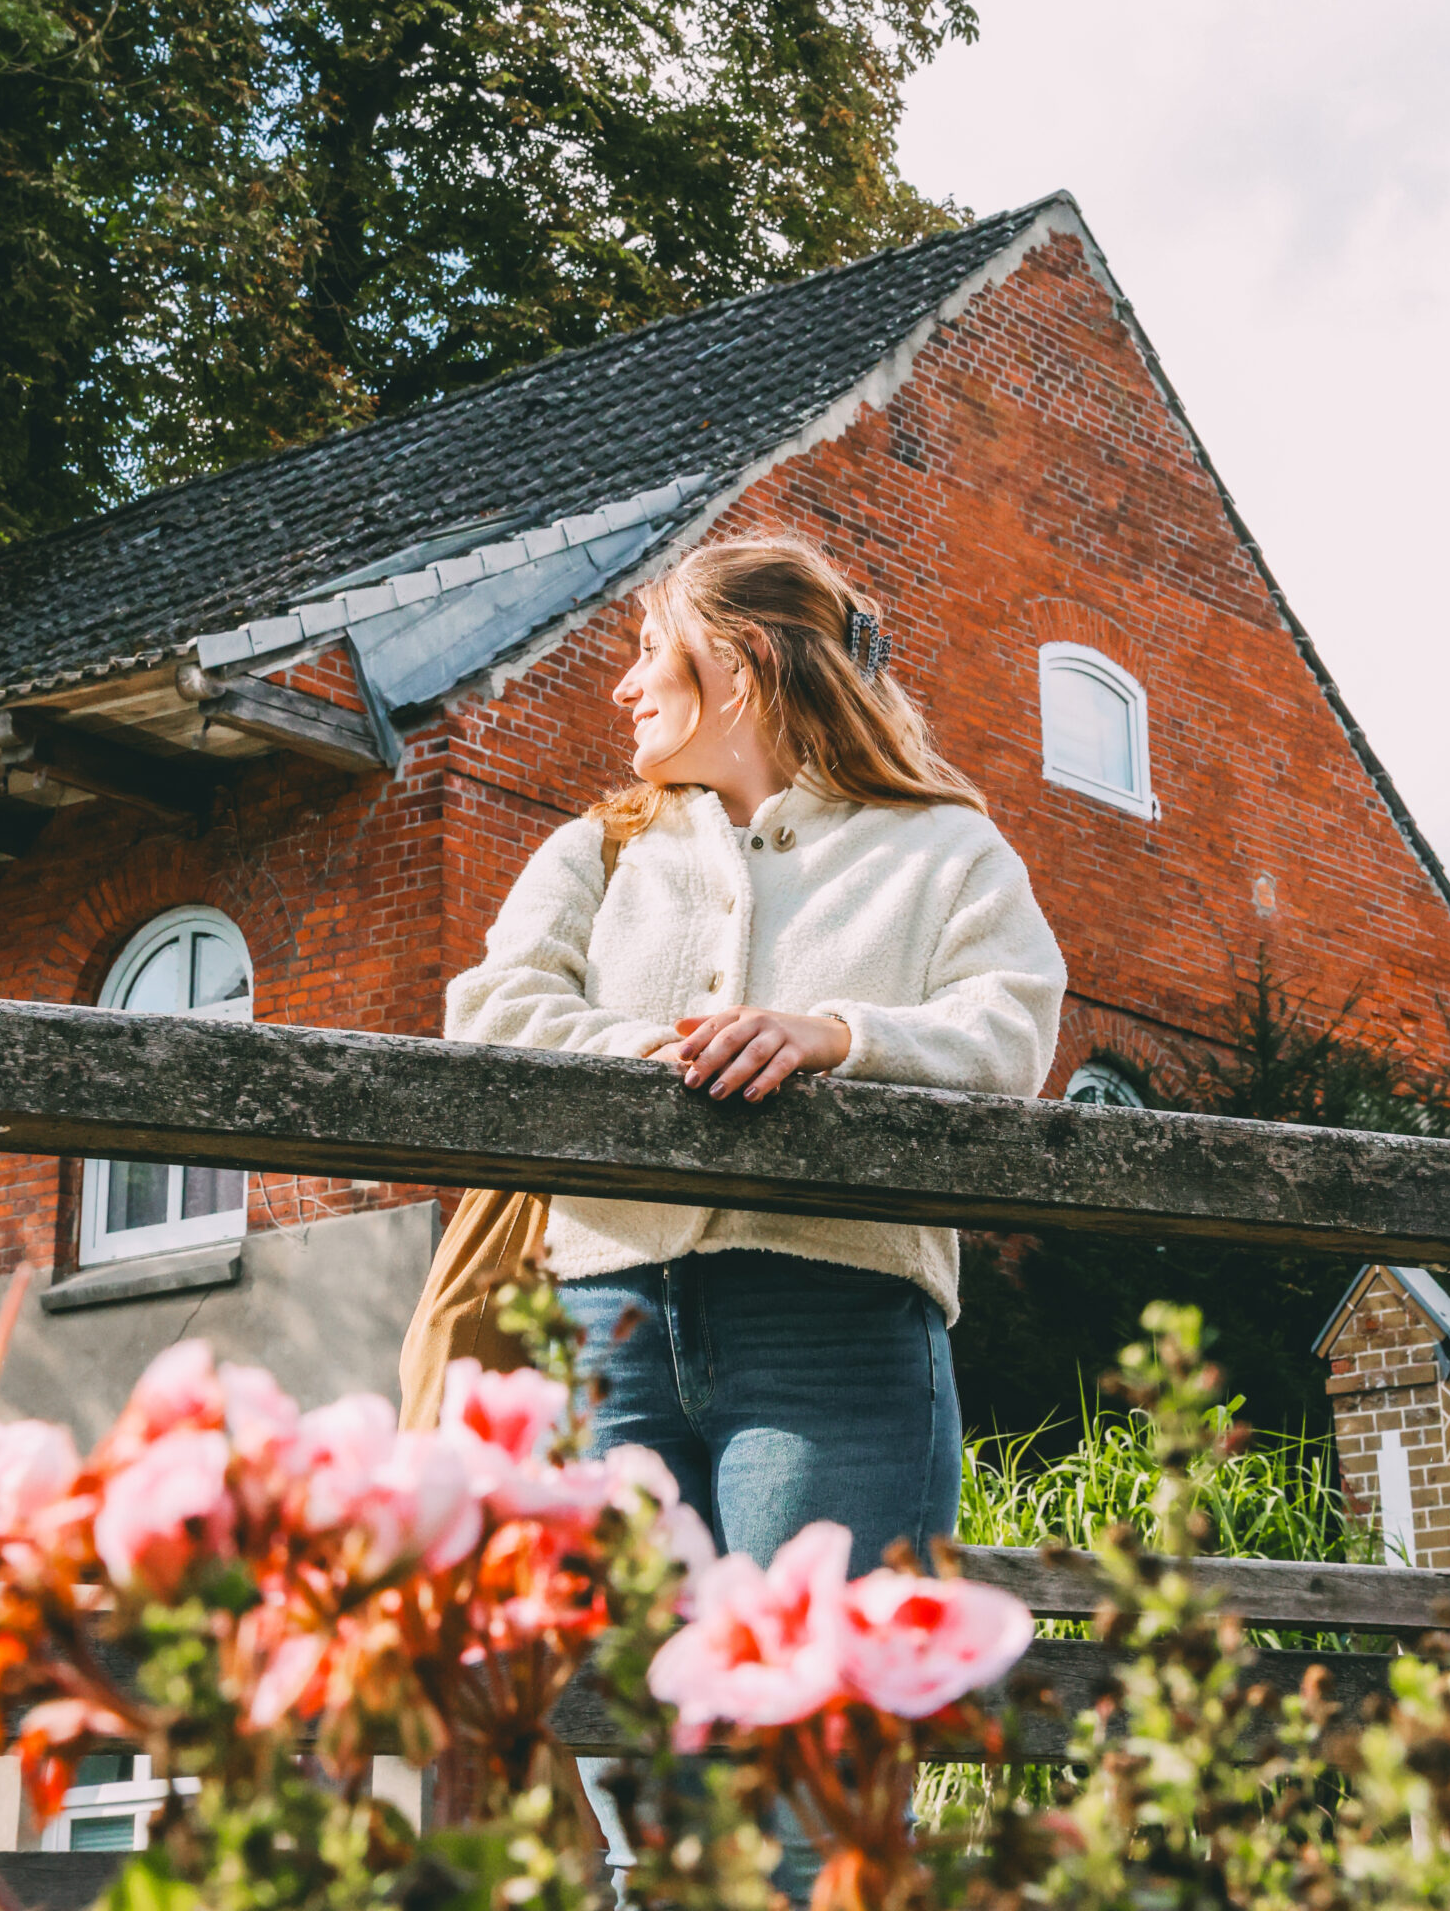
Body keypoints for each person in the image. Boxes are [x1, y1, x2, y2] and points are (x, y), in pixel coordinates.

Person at [443, 534, 1065, 1877]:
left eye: (645, 650)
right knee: (645, 1799)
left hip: (834, 1329)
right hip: (602, 1324)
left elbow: (1011, 1028)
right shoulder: (592, 850)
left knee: (808, 1796)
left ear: (737, 666)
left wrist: (837, 1036)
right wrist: (666, 1059)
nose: (621, 689)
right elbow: (494, 1016)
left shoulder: (942, 850)